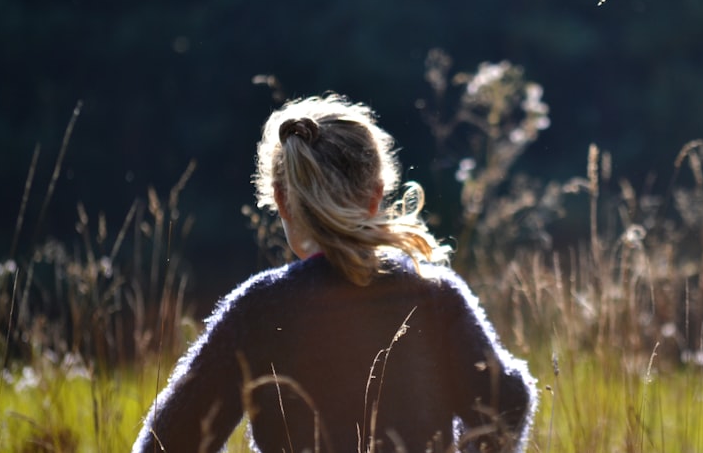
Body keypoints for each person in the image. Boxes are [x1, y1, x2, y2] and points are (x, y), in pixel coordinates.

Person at [134, 94, 537, 453]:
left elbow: (169, 441)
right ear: (377, 195)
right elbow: (509, 400)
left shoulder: (257, 309)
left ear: (281, 201)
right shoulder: (435, 295)